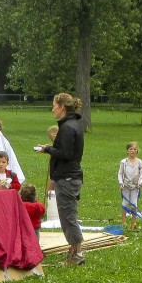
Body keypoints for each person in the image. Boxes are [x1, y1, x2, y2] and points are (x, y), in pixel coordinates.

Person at [36, 93, 86, 265]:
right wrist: (50, 148)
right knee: (67, 215)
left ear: (62, 107)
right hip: (70, 176)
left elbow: (65, 153)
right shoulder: (74, 124)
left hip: (67, 178)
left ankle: (78, 254)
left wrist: (48, 150)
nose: (52, 109)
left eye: (54, 106)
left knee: (68, 217)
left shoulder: (67, 127)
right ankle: (73, 251)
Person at [118, 141, 142, 231]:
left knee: (134, 204)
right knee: (125, 203)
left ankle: (134, 222)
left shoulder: (139, 162)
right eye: (131, 149)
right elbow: (120, 173)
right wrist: (121, 183)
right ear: (127, 151)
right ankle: (124, 222)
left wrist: (140, 182)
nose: (132, 151)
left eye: (134, 149)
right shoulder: (124, 162)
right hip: (125, 185)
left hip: (135, 186)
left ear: (137, 151)